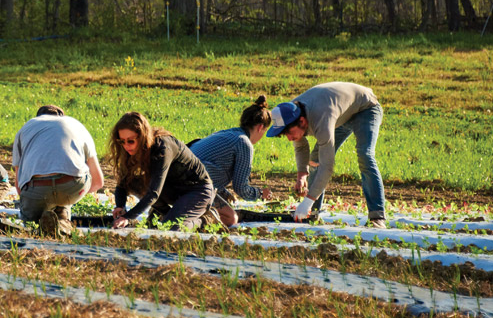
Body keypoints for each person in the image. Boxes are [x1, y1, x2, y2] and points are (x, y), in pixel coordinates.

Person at [267, 81, 385, 227]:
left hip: (366, 108)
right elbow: (300, 146)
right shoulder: (290, 112)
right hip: (341, 113)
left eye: (289, 133)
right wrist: (302, 174)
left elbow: (327, 166)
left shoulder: (321, 118)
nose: (289, 138)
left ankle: (377, 217)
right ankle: (312, 214)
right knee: (315, 159)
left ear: (302, 121)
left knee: (364, 154)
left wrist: (307, 200)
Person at [110, 112, 216, 231]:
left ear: (143, 136)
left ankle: (204, 221)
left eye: (130, 141)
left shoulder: (162, 148)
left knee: (171, 228)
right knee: (135, 182)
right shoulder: (132, 149)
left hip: (197, 191)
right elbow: (123, 182)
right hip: (173, 188)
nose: (126, 146)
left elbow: (154, 193)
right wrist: (120, 206)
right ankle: (168, 215)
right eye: (121, 141)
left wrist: (127, 217)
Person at [12, 105, 105, 236]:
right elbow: (98, 182)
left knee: (29, 229)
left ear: (38, 117)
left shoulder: (26, 128)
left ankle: (37, 226)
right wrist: (69, 197)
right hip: (71, 186)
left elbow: (18, 185)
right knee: (67, 190)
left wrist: (31, 204)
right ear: (62, 117)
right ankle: (62, 221)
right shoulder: (76, 125)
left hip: (37, 189)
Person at [189, 96, 273, 226]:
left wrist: (223, 192)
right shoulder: (244, 143)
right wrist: (261, 193)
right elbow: (241, 188)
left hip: (183, 177)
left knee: (223, 209)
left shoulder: (229, 134)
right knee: (231, 218)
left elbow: (212, 166)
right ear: (260, 127)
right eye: (265, 131)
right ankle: (190, 223)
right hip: (193, 185)